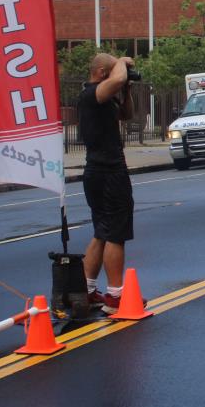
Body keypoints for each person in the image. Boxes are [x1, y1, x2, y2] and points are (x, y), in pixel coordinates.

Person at [79, 53, 138, 315]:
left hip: (99, 172)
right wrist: (121, 64)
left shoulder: (105, 96)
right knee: (116, 233)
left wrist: (126, 90)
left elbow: (127, 114)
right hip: (108, 172)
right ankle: (115, 296)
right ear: (103, 72)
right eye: (114, 71)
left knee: (102, 232)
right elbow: (116, 78)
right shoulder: (91, 94)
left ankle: (87, 290)